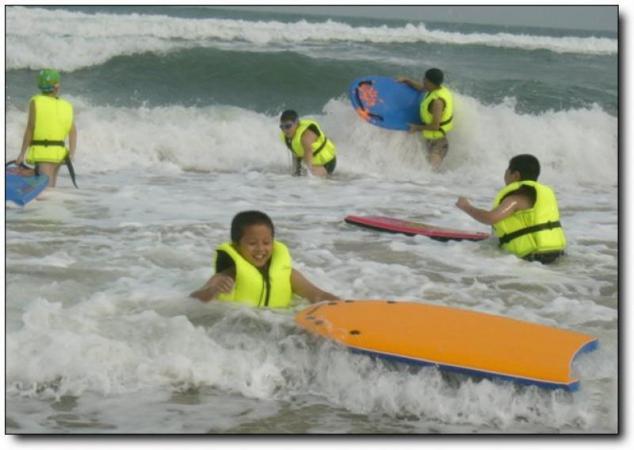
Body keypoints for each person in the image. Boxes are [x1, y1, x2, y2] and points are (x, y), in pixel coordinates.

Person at [190, 210, 339, 306]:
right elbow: (193, 300)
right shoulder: (228, 275)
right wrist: (213, 291)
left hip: (276, 326)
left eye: (267, 243)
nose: (261, 249)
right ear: (236, 246)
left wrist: (343, 305)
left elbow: (317, 295)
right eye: (252, 243)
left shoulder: (288, 275)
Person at [455, 154, 566, 264]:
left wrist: (466, 206)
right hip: (557, 255)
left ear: (515, 175)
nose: (505, 173)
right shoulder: (544, 195)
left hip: (535, 259)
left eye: (507, 170)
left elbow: (490, 218)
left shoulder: (515, 200)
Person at [16, 69, 77, 188]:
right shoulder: (67, 105)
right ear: (57, 86)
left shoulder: (36, 102)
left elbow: (30, 129)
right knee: (51, 187)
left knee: (45, 191)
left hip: (44, 152)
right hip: (59, 154)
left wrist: (21, 154)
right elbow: (73, 132)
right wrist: (72, 153)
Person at [398, 68, 453, 170]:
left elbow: (435, 126)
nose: (423, 80)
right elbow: (421, 88)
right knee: (428, 173)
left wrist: (416, 127)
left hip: (438, 144)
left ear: (430, 82)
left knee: (431, 174)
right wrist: (407, 81)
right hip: (431, 141)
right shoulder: (437, 89)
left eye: (425, 79)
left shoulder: (437, 102)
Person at [278, 110, 337, 177]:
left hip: (326, 163)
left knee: (306, 176)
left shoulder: (305, 136)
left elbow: (308, 155)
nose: (285, 130)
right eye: (282, 127)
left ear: (297, 123)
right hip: (311, 161)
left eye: (288, 126)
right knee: (295, 175)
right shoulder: (289, 135)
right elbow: (295, 152)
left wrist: (308, 175)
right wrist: (295, 170)